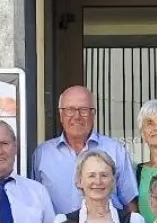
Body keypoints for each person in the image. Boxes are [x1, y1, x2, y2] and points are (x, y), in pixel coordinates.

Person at [31, 85, 138, 214]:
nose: (77, 116)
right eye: (70, 109)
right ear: (61, 114)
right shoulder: (43, 154)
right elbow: (35, 203)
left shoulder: (115, 150)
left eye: (84, 110)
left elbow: (130, 203)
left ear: (93, 114)